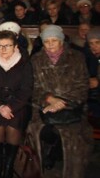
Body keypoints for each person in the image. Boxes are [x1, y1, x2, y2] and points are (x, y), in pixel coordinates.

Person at [28, 25, 92, 177]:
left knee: (74, 138)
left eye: (54, 41)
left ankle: (70, 170)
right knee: (40, 130)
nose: (50, 45)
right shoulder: (36, 59)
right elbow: (32, 86)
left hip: (72, 108)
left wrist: (61, 104)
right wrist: (49, 99)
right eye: (46, 41)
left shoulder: (77, 58)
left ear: (61, 41)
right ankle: (42, 163)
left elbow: (82, 86)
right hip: (42, 107)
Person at [0, 31, 33, 178]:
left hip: (17, 104)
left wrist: (11, 107)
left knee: (13, 126)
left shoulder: (24, 62)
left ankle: (9, 166)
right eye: (0, 46)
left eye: (7, 46)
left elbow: (26, 89)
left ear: (15, 47)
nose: (3, 49)